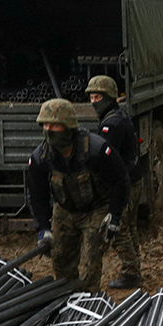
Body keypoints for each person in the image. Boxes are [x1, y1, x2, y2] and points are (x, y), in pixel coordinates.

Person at [25, 97, 129, 294]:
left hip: (96, 209)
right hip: (65, 211)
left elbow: (120, 180)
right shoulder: (41, 159)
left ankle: (90, 300)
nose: (48, 130)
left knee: (92, 259)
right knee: (61, 259)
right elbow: (36, 196)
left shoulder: (97, 150)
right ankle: (68, 300)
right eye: (45, 125)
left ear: (68, 127)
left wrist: (115, 216)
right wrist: (43, 229)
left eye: (55, 125)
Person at [86, 74, 143, 288]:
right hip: (134, 178)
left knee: (118, 229)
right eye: (91, 97)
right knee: (130, 226)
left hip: (126, 182)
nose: (93, 102)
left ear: (109, 97)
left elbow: (104, 158)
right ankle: (134, 266)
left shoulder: (112, 124)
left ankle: (131, 273)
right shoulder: (117, 116)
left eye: (97, 96)